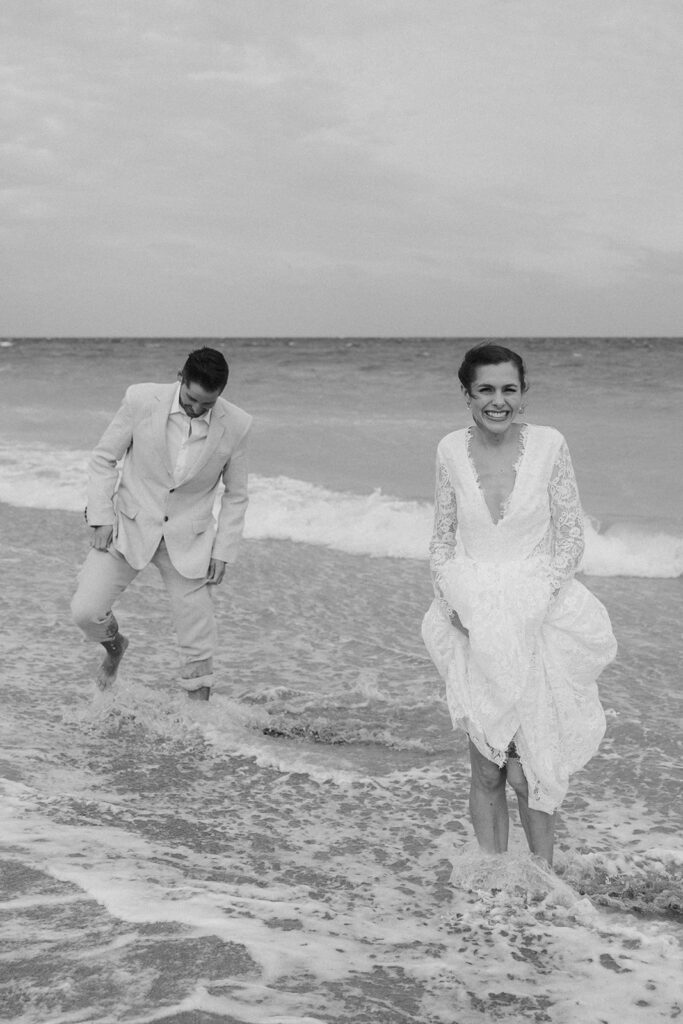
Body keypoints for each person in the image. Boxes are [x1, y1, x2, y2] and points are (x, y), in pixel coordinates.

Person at [421, 343, 616, 866]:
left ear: (523, 394)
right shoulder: (447, 451)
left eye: (509, 389)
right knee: (486, 768)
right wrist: (451, 601)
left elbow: (572, 537)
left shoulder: (550, 445)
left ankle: (542, 883)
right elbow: (441, 540)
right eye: (485, 389)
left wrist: (534, 600)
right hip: (473, 617)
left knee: (528, 770)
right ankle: (493, 883)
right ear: (467, 395)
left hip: (538, 616)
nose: (498, 401)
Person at [71, 346, 252, 701]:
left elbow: (236, 494)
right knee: (86, 612)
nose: (197, 409)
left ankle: (201, 724)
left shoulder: (239, 424)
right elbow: (104, 459)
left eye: (208, 405)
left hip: (190, 538)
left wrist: (224, 550)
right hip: (129, 524)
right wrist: (101, 517)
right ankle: (115, 647)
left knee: (197, 637)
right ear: (180, 377)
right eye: (192, 399)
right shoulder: (140, 399)